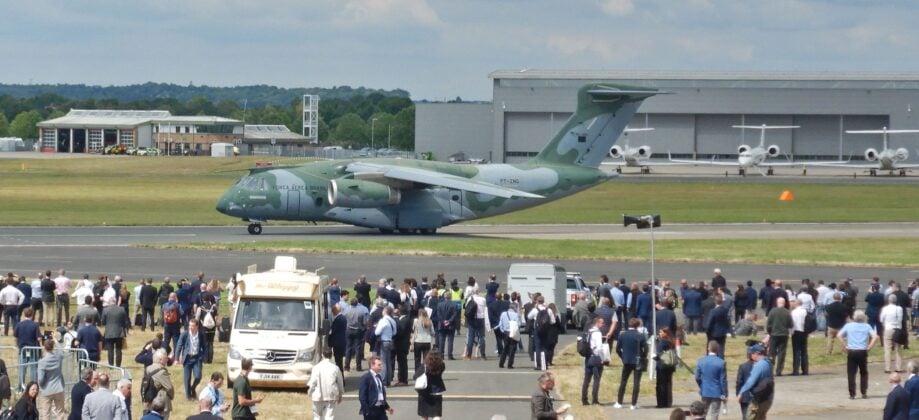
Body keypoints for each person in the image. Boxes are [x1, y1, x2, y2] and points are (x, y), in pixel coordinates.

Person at [838, 310, 880, 399]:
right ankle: (863, 391)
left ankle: (852, 393)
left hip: (852, 350)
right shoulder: (867, 326)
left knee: (851, 373)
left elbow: (839, 335)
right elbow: (875, 336)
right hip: (862, 351)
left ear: (854, 317)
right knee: (863, 372)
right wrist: (870, 347)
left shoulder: (849, 326)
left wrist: (844, 346)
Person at [615, 318, 648, 410]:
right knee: (636, 383)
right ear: (637, 325)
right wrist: (643, 356)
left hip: (626, 361)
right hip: (637, 361)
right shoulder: (640, 336)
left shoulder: (623, 335)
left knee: (623, 381)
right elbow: (646, 349)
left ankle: (619, 402)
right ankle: (633, 403)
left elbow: (617, 349)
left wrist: (623, 357)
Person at [736, 343, 773, 420]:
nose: (751, 355)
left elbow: (745, 382)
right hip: (765, 398)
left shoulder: (755, 365)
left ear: (756, 354)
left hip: (753, 398)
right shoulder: (768, 364)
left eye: (752, 353)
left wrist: (740, 393)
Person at [175, 318, 207, 401]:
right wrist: (176, 358)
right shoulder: (185, 334)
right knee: (187, 378)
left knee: (198, 376)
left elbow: (204, 346)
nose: (190, 327)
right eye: (190, 326)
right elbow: (179, 345)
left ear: (197, 326)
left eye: (192, 326)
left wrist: (204, 356)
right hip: (187, 358)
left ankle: (193, 388)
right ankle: (188, 396)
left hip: (197, 358)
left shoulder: (201, 334)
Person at [308, 347, 344, 420]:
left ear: (322, 355)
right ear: (331, 356)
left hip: (318, 395)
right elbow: (340, 382)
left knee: (317, 416)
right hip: (331, 395)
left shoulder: (316, 367)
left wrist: (310, 392)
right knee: (329, 416)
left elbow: (313, 382)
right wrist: (340, 394)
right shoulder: (335, 368)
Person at [695, 341, 728, 419]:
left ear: (708, 348)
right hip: (717, 392)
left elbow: (697, 377)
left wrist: (701, 386)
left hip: (705, 391)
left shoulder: (701, 361)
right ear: (717, 349)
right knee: (714, 414)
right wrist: (725, 394)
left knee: (702, 413)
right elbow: (723, 380)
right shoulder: (721, 362)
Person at [37, 338, 66, 419]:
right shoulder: (58, 358)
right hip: (58, 388)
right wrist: (56, 340)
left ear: (44, 347)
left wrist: (41, 386)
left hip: (46, 389)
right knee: (60, 412)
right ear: (53, 347)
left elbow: (40, 379)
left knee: (46, 413)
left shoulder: (42, 362)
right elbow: (61, 351)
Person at [13, 307, 41, 389]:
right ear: (32, 314)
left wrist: (17, 346)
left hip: (22, 349)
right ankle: (34, 386)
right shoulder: (35, 325)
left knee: (22, 368)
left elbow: (15, 338)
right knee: (33, 368)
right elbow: (38, 339)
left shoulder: (19, 324)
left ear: (23, 314)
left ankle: (20, 386)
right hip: (33, 349)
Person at [359, 355, 394, 420]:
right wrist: (366, 410)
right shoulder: (366, 378)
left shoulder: (379, 377)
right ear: (372, 366)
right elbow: (362, 396)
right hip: (371, 410)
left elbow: (380, 394)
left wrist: (387, 407)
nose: (381, 367)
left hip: (380, 409)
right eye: (379, 365)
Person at [581, 317, 605, 406]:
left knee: (586, 379)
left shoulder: (589, 332)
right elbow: (599, 347)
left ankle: (584, 399)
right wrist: (602, 358)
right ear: (597, 323)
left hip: (588, 357)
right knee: (596, 379)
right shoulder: (597, 333)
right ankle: (594, 400)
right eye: (602, 323)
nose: (603, 325)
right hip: (595, 357)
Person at [765, 297, 792, 376]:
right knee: (782, 353)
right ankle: (779, 370)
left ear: (777, 303)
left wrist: (770, 332)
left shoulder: (772, 311)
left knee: (772, 353)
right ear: (784, 303)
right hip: (784, 334)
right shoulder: (787, 312)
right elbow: (790, 324)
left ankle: (770, 369)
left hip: (774, 334)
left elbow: (768, 324)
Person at [416, 351, 446, 420]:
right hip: (437, 392)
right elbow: (443, 365)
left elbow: (415, 376)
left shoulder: (425, 366)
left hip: (425, 393)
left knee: (424, 415)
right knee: (436, 414)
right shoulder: (441, 366)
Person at [101, 296, 130, 367]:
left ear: (109, 302)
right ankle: (118, 365)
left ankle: (111, 365)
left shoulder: (105, 310)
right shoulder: (122, 309)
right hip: (119, 332)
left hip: (109, 332)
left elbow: (103, 322)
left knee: (110, 350)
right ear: (116, 301)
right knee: (118, 350)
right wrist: (126, 330)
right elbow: (125, 321)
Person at [146, 349, 175, 418]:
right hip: (161, 401)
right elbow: (169, 388)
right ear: (160, 360)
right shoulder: (161, 372)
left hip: (150, 399)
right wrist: (171, 396)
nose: (167, 360)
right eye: (165, 358)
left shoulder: (148, 368)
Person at [880, 293, 905, 373]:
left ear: (888, 300)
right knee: (898, 349)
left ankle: (887, 368)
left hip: (888, 328)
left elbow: (881, 319)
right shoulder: (899, 309)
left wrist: (885, 323)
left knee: (887, 349)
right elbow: (901, 319)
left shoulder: (885, 309)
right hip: (898, 329)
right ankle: (899, 367)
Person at [374, 306, 397, 386]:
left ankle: (383, 380)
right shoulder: (392, 321)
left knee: (383, 362)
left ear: (385, 311)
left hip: (384, 341)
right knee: (388, 361)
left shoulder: (383, 320)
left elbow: (377, 332)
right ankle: (388, 379)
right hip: (390, 341)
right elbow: (394, 332)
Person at [345, 297, 368, 372]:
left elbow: (344, 320)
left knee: (348, 348)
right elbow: (364, 322)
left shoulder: (346, 310)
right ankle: (358, 367)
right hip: (358, 330)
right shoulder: (361, 311)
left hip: (348, 330)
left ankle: (347, 366)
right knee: (358, 348)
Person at [655, 328, 677, 408]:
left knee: (661, 384)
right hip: (670, 365)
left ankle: (661, 403)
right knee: (668, 384)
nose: (659, 333)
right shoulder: (671, 341)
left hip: (662, 365)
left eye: (661, 332)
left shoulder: (662, 342)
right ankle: (668, 402)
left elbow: (659, 353)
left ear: (665, 333)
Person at [195, 292, 218, 364]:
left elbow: (197, 318)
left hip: (203, 328)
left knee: (205, 343)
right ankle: (210, 359)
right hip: (212, 328)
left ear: (203, 299)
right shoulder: (214, 308)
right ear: (210, 299)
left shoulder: (200, 308)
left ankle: (205, 359)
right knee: (211, 343)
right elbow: (216, 317)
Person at [434, 291, 457, 360]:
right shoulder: (454, 305)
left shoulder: (440, 304)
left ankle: (441, 355)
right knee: (450, 340)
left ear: (444, 297)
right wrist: (449, 321)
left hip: (441, 324)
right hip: (451, 325)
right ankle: (450, 355)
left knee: (441, 340)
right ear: (451, 297)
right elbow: (455, 315)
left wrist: (443, 321)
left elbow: (438, 314)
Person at [735, 345, 756, 420]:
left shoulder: (743, 366)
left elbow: (739, 382)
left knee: (745, 415)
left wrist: (738, 394)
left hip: (745, 396)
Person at [498, 302, 522, 369]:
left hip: (506, 332)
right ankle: (510, 364)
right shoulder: (515, 315)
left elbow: (500, 324)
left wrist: (503, 330)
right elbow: (519, 324)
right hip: (513, 332)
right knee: (512, 348)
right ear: (515, 307)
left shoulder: (503, 314)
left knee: (505, 348)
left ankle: (501, 363)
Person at [790, 300, 809, 376]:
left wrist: (791, 332)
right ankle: (805, 369)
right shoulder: (805, 311)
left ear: (796, 304)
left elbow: (792, 323)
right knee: (804, 351)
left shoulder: (793, 312)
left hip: (796, 332)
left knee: (796, 351)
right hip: (804, 331)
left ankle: (796, 370)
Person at [328, 304, 347, 373]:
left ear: (336, 311)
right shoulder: (342, 318)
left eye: (333, 311)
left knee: (338, 362)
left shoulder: (338, 319)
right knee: (339, 362)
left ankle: (340, 379)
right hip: (341, 342)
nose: (332, 313)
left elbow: (333, 331)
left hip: (338, 343)